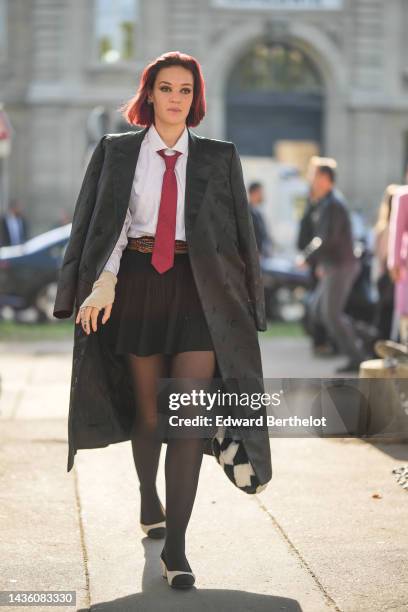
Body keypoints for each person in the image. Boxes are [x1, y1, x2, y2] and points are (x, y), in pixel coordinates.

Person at [53, 51, 271, 590]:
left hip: (201, 292)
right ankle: (148, 496)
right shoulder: (116, 151)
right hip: (137, 286)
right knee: (150, 414)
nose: (176, 98)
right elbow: (97, 224)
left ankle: (176, 545)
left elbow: (241, 237)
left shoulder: (220, 157)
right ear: (148, 93)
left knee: (188, 420)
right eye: (166, 88)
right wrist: (95, 285)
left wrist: (249, 305)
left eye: (186, 90)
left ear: (196, 100)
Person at [297, 156, 366, 373]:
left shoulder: (334, 204)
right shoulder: (325, 202)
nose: (310, 180)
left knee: (331, 315)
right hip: (332, 266)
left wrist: (307, 257)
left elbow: (327, 238)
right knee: (318, 310)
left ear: (325, 179)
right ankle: (366, 337)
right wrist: (319, 262)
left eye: (313, 175)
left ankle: (358, 357)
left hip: (342, 266)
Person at [373, 184, 399, 340]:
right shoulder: (391, 228)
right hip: (391, 277)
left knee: (385, 317)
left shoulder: (382, 227)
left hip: (384, 277)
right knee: (390, 317)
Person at [387, 185, 408, 344]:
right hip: (405, 266)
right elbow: (397, 230)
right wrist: (394, 263)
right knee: (404, 312)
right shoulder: (403, 197)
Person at [247, 181, 274, 257]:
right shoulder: (247, 212)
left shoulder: (258, 213)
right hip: (255, 257)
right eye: (261, 192)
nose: (263, 195)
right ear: (254, 193)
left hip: (263, 255)